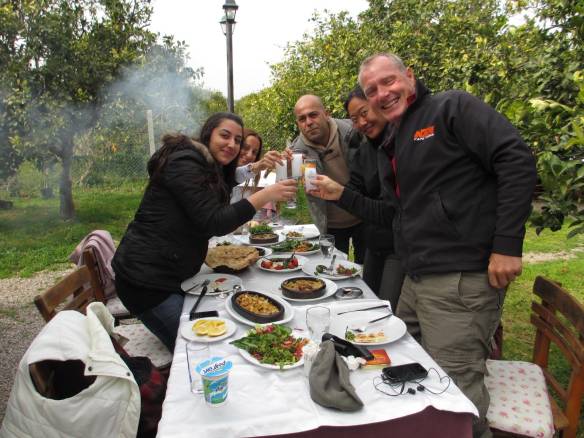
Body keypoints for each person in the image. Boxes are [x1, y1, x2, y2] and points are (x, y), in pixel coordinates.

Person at [310, 54, 537, 437]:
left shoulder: (451, 107)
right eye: (371, 90)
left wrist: (507, 245)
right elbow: (392, 214)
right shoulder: (393, 141)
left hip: (459, 278)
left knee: (456, 390)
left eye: (388, 81)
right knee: (404, 364)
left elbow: (515, 159)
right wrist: (341, 195)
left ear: (410, 76)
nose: (382, 94)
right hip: (417, 279)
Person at [112, 113, 296, 352]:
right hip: (146, 283)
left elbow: (226, 182)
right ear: (208, 134)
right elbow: (215, 222)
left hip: (172, 275)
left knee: (218, 328)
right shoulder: (184, 163)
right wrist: (266, 195)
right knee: (199, 348)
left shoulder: (207, 166)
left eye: (237, 140)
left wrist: (258, 167)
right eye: (225, 135)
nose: (232, 144)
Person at [343, 86, 403, 309]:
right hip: (374, 243)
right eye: (354, 119)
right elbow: (354, 189)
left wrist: (341, 194)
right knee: (369, 304)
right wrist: (329, 189)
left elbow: (394, 208)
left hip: (400, 246)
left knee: (386, 308)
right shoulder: (364, 151)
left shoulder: (402, 143)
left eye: (364, 112)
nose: (361, 122)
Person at [290, 94, 366, 263]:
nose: (308, 122)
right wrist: (288, 171)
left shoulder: (353, 131)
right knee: (335, 270)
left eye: (313, 115)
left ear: (326, 114)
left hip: (364, 215)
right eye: (302, 119)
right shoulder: (297, 153)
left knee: (367, 271)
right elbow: (291, 193)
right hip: (331, 225)